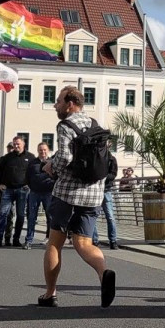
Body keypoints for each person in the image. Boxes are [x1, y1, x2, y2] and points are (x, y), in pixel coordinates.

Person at [37, 86, 115, 308]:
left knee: (54, 243)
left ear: (70, 104)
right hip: (94, 195)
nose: (55, 105)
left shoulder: (66, 125)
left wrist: (51, 167)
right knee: (83, 243)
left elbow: (64, 158)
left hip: (68, 195)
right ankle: (104, 272)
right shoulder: (94, 125)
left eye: (59, 101)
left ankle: (50, 294)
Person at [0, 136, 33, 248]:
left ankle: (16, 239)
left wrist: (30, 185)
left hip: (22, 191)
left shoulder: (30, 158)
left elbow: (34, 173)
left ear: (23, 144)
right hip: (8, 190)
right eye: (14, 144)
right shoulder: (7, 158)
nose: (16, 146)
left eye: (18, 144)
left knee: (20, 216)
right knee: (2, 214)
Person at [23, 142, 54, 249]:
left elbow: (56, 176)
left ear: (48, 150)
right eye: (41, 150)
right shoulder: (32, 163)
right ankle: (28, 241)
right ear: (38, 151)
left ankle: (50, 240)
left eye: (44, 150)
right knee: (31, 217)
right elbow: (27, 177)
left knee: (50, 217)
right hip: (34, 193)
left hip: (48, 193)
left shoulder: (52, 162)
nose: (43, 152)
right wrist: (31, 186)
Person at [93, 153, 119, 250]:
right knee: (93, 216)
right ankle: (94, 240)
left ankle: (113, 240)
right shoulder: (95, 157)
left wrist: (102, 177)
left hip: (106, 190)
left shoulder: (111, 159)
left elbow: (113, 174)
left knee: (110, 216)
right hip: (95, 190)